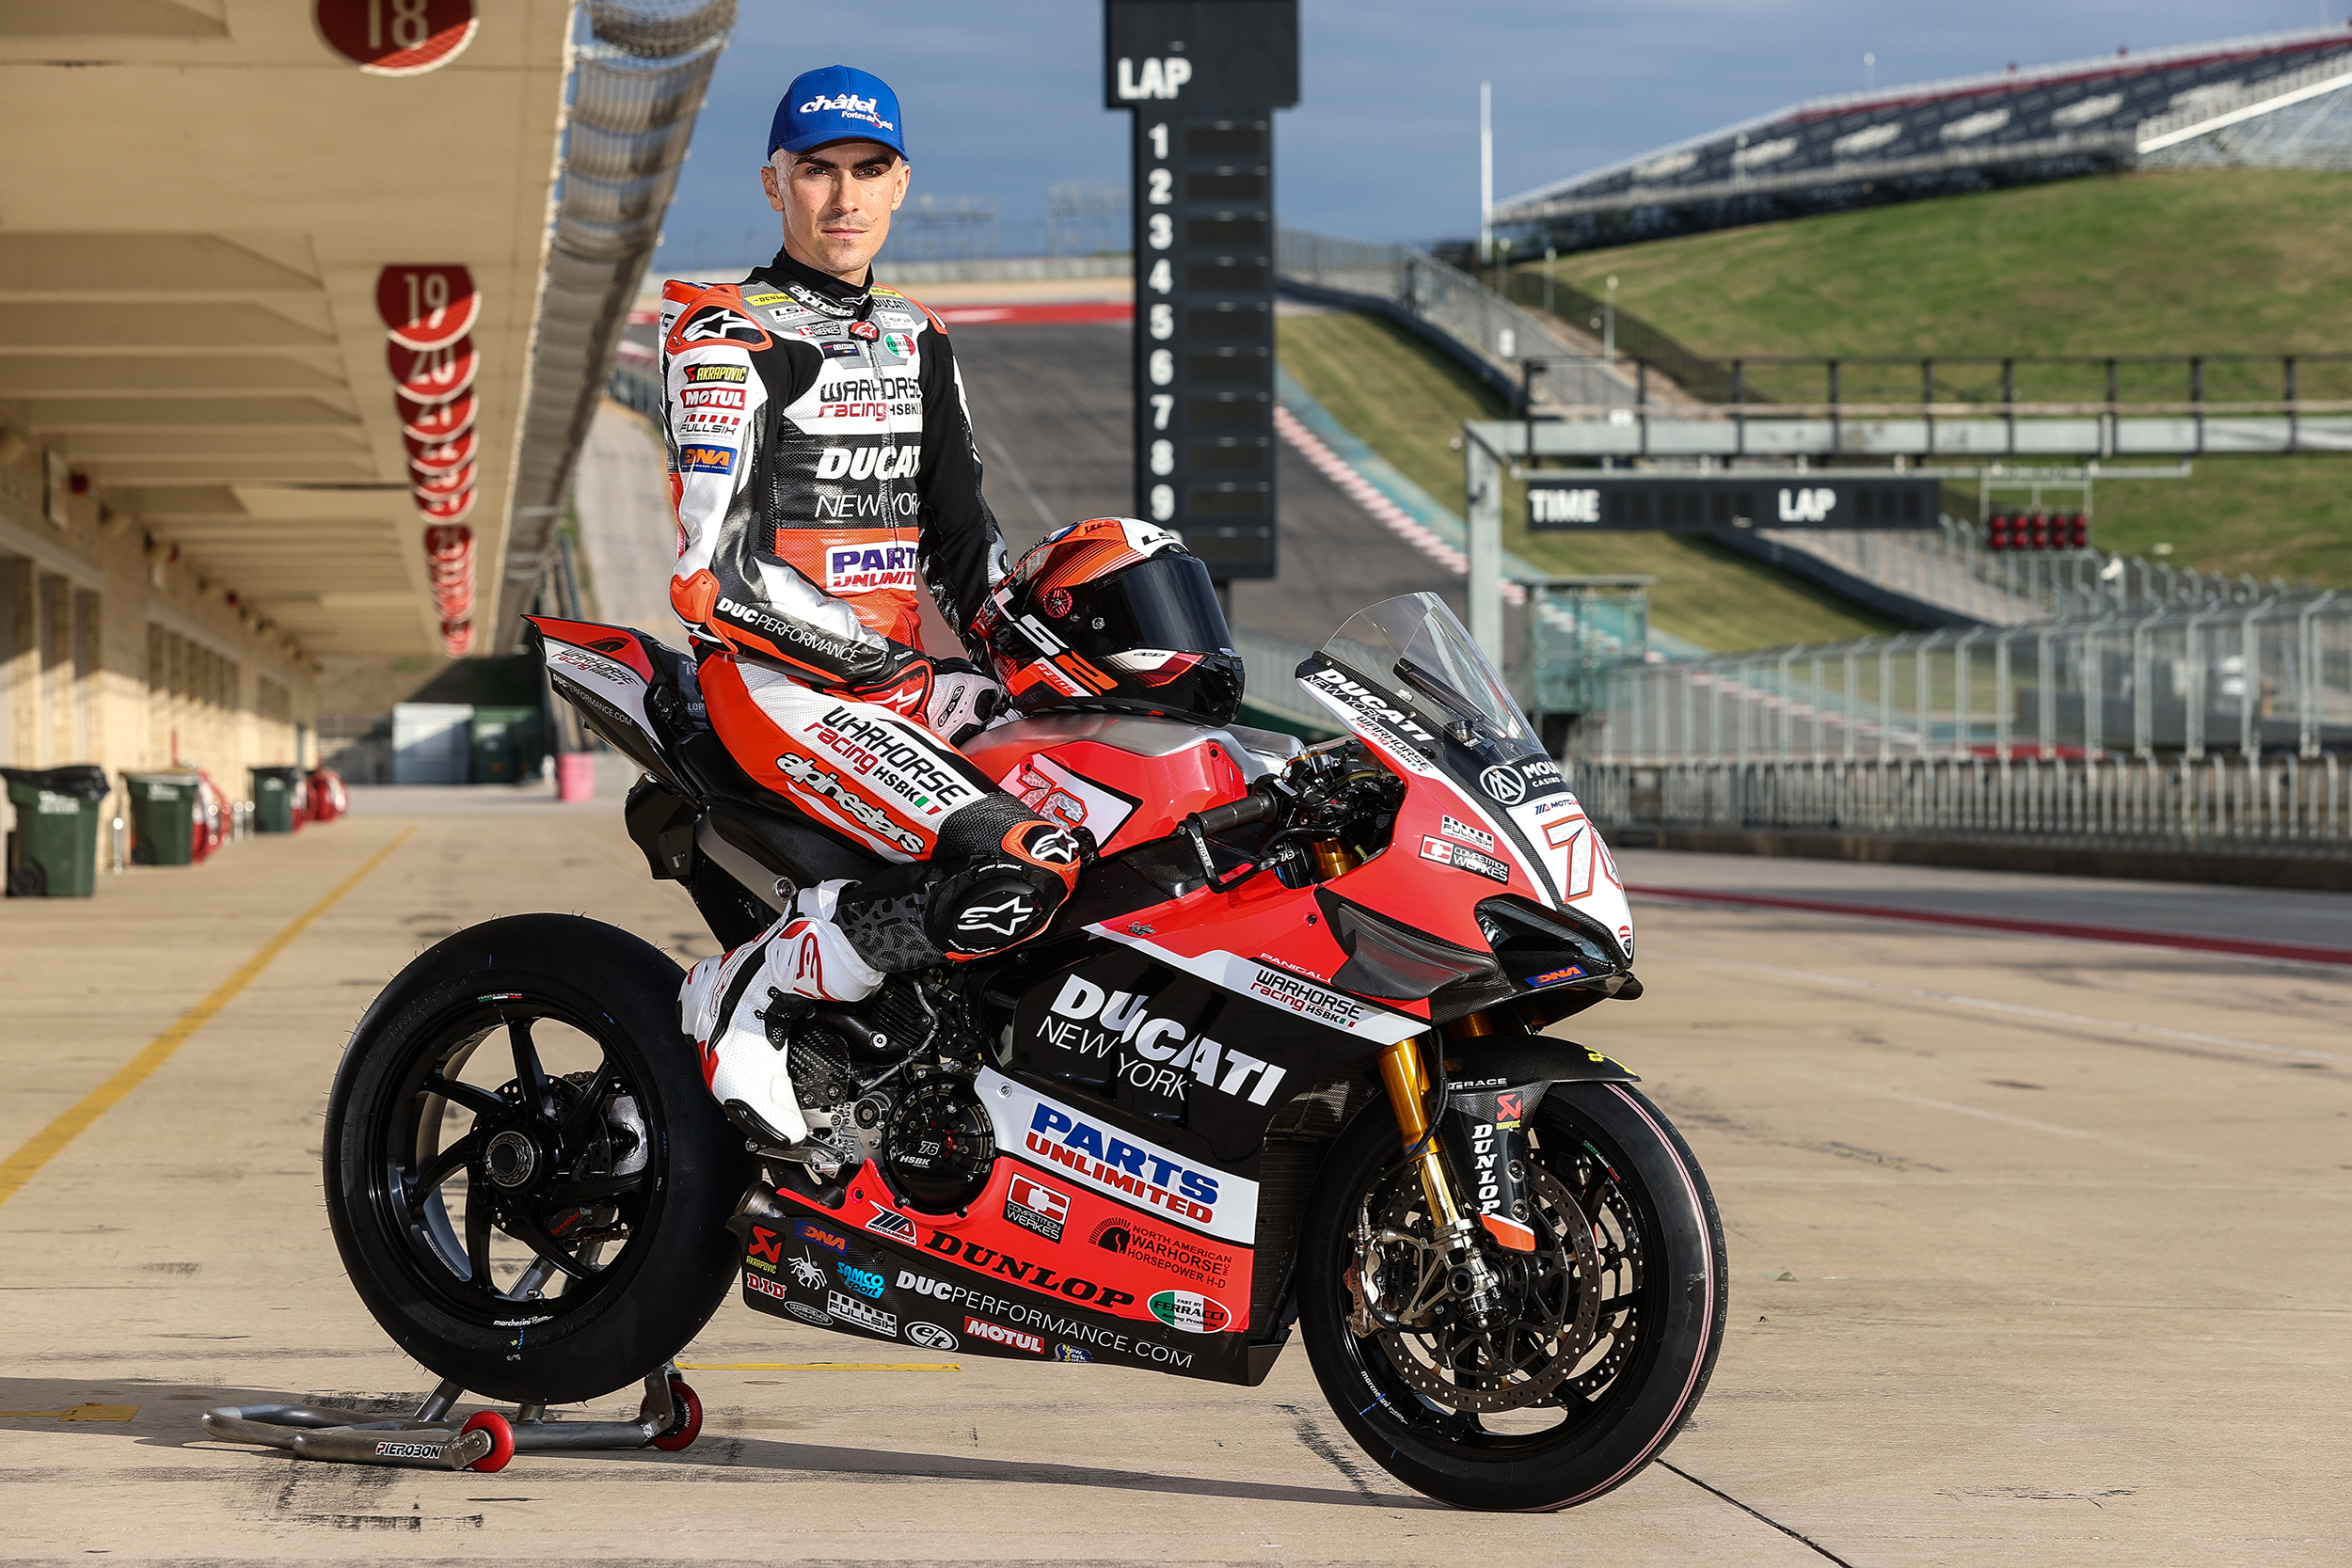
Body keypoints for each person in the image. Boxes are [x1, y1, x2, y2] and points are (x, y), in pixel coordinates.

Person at [659, 65, 1079, 1153]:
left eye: (868, 170)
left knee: (1126, 803)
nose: (843, 197)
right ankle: (752, 987)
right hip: (777, 685)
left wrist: (1059, 653)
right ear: (774, 184)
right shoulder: (726, 335)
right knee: (1019, 857)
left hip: (898, 686)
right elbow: (715, 575)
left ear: (901, 186)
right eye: (818, 171)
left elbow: (961, 544)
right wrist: (872, 670)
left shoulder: (916, 336)